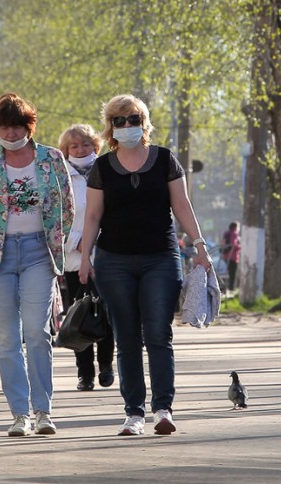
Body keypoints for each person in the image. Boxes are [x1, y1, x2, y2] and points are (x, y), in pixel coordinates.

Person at [78, 94, 211, 436]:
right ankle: (133, 413)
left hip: (160, 259)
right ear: (110, 128)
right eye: (119, 121)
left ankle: (163, 409)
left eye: (133, 119)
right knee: (126, 337)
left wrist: (200, 246)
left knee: (157, 333)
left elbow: (182, 205)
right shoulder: (102, 167)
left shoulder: (165, 159)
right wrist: (84, 258)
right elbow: (93, 216)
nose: (126, 126)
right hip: (113, 261)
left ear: (144, 122)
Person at [0, 92, 74, 437]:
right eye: (4, 128)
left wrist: (55, 241)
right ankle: (20, 414)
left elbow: (66, 207)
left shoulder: (52, 160)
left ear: (29, 127)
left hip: (39, 253)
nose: (12, 134)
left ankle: (43, 411)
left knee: (36, 332)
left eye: (17, 127)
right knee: (7, 337)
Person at [57, 123, 115, 392]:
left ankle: (106, 365)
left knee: (106, 313)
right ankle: (85, 373)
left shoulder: (108, 170)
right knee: (79, 315)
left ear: (96, 146)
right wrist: (77, 241)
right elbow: (53, 222)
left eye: (86, 144)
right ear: (66, 149)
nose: (81, 150)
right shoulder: (60, 178)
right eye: (74, 146)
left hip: (107, 255)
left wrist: (98, 240)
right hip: (73, 259)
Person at [221, 222, 241, 291]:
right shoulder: (234, 234)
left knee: (229, 272)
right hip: (233, 256)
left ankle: (228, 287)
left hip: (226, 255)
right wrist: (240, 246)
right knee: (233, 273)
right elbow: (233, 244)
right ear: (235, 227)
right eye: (238, 227)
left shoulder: (227, 233)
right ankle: (231, 288)